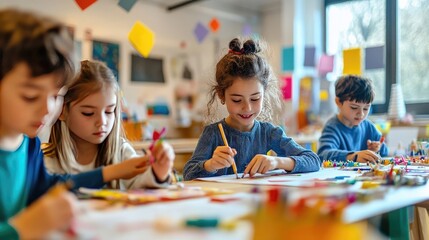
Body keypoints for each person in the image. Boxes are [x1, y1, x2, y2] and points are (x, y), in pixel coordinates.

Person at [0, 9, 149, 239]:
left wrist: (112, 172)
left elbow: (48, 187)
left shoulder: (28, 144)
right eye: (30, 96)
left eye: (56, 96)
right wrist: (19, 230)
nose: (48, 110)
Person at [183, 38, 320, 180]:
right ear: (221, 95)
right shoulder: (213, 133)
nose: (247, 108)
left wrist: (276, 162)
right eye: (237, 100)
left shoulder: (269, 132)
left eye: (255, 99)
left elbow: (313, 160)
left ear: (264, 93)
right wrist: (210, 165)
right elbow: (188, 174)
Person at [43, 60, 175, 189]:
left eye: (109, 111)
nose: (102, 122)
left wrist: (160, 171)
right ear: (62, 111)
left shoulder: (121, 151)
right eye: (88, 113)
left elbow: (144, 180)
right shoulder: (46, 160)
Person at [317, 75, 388, 163]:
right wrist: (352, 156)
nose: (361, 114)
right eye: (354, 107)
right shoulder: (332, 127)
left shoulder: (368, 126)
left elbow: (385, 152)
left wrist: (378, 148)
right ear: (338, 102)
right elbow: (323, 154)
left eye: (366, 108)